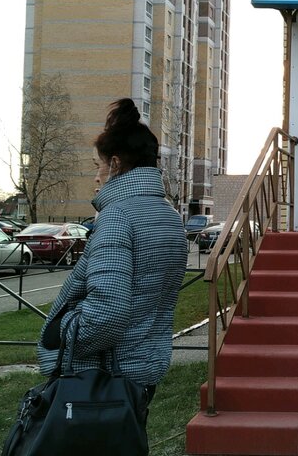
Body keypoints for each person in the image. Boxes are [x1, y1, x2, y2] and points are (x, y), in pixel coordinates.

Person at [36, 98, 187, 447]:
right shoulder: (169, 216)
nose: (95, 176)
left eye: (98, 166)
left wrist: (60, 332)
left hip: (101, 377)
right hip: (143, 370)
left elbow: (106, 315)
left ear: (115, 164)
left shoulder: (118, 217)